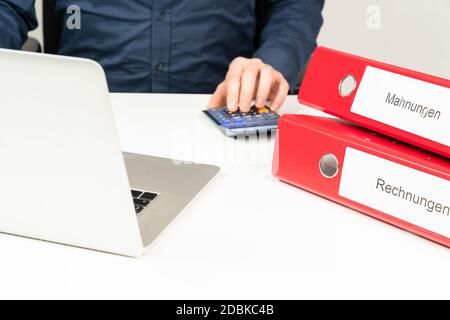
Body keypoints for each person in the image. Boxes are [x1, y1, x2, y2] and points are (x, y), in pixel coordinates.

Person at [0, 0, 324, 112]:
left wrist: (270, 62)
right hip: (89, 118)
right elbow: (8, 9)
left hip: (221, 112)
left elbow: (294, 6)